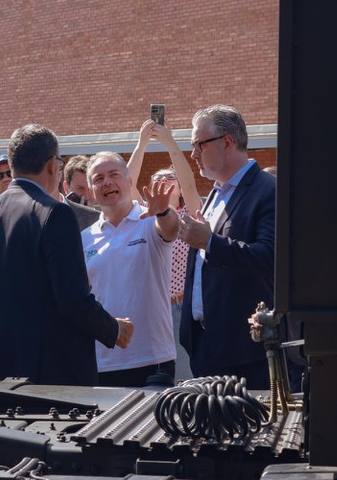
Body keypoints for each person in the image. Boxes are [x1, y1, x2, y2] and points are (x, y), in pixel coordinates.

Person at [0, 124, 133, 386]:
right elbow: (72, 299)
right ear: (54, 165)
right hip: (48, 377)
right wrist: (113, 329)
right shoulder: (55, 214)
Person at [178, 104, 275, 389]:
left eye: (199, 145)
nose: (194, 154)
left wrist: (209, 241)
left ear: (227, 142)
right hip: (204, 347)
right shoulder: (216, 194)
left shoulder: (268, 191)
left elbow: (269, 258)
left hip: (243, 351)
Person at [81, 151, 180, 387]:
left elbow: (171, 229)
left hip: (153, 360)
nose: (107, 182)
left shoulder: (150, 220)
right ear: (92, 189)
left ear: (129, 180)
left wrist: (164, 211)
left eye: (114, 174)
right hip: (103, 362)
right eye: (98, 178)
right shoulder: (84, 239)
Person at [127, 119, 204, 381]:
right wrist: (141, 145)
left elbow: (190, 181)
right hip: (152, 305)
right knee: (157, 377)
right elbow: (127, 183)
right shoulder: (143, 217)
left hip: (183, 306)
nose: (163, 180)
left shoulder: (189, 214)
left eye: (170, 178)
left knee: (186, 377)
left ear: (179, 190)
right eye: (157, 178)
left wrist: (170, 143)